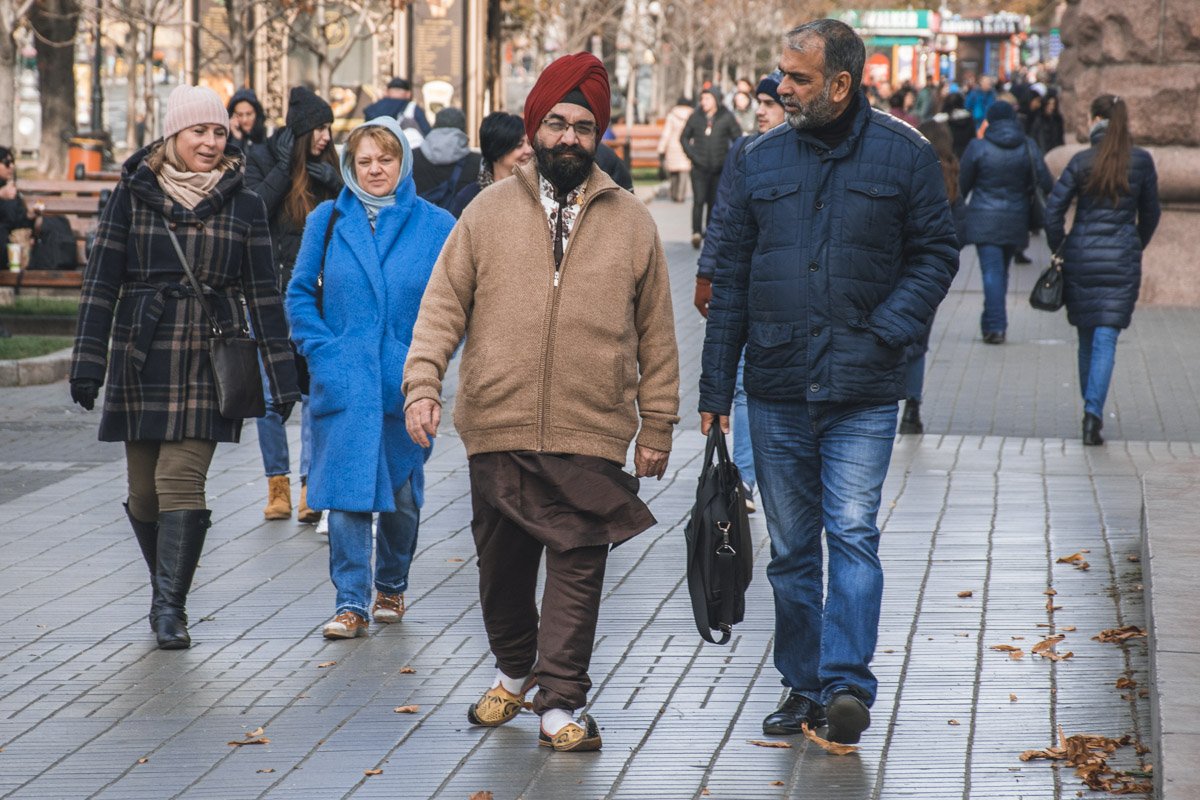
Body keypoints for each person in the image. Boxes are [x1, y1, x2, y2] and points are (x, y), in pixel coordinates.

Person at [402, 52, 679, 753]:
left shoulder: (633, 221)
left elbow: (658, 333)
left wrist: (659, 424)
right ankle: (516, 670)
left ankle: (561, 700)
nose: (567, 138)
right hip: (497, 421)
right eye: (555, 123)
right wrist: (423, 385)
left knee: (580, 560)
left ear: (598, 135)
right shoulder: (487, 211)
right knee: (502, 571)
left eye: (582, 127)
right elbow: (441, 307)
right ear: (535, 128)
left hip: (593, 425)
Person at [699, 19, 958, 745]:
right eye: (782, 73)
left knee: (851, 534)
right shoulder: (756, 159)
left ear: (841, 84)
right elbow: (731, 284)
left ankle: (845, 686)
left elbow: (937, 253)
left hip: (863, 389)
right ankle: (801, 684)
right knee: (789, 551)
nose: (782, 86)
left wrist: (886, 330)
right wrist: (715, 393)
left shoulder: (903, 154)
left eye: (799, 77)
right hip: (776, 388)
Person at [69, 85, 300, 650]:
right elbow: (101, 283)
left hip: (208, 351)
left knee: (179, 480)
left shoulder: (243, 201)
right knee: (144, 494)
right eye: (199, 131)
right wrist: (88, 362)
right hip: (142, 351)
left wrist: (283, 372)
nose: (210, 140)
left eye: (219, 131)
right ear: (174, 134)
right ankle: (163, 586)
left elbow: (263, 293)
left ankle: (171, 608)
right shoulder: (132, 193)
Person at [288, 116, 455, 639]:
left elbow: (456, 302)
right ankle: (350, 602)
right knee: (345, 497)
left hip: (405, 383)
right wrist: (324, 353)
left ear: (403, 161)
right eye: (365, 161)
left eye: (386, 158)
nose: (376, 169)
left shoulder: (437, 225)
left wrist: (428, 362)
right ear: (349, 166)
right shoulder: (328, 220)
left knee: (402, 497)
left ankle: (391, 585)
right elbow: (298, 295)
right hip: (345, 381)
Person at [244, 86, 342, 522]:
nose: (325, 136)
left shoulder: (330, 169)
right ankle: (277, 486)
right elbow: (251, 212)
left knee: (312, 393)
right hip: (269, 294)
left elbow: (354, 216)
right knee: (270, 398)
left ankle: (309, 488)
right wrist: (285, 170)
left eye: (328, 128)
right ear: (301, 131)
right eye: (319, 129)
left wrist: (334, 181)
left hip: (320, 298)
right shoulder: (265, 159)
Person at [1044, 94, 1160, 446]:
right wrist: (1134, 243)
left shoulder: (1082, 161)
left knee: (1085, 337)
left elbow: (1052, 211)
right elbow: (1151, 213)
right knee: (1106, 337)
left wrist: (1061, 246)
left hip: (1081, 255)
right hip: (1122, 257)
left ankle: (1090, 410)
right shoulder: (1140, 161)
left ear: (1096, 119)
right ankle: (1093, 415)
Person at [694, 71, 785, 512]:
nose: (761, 111)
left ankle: (765, 475)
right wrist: (706, 273)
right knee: (746, 386)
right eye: (760, 103)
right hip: (746, 286)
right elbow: (725, 218)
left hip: (785, 294)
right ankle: (744, 479)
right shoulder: (745, 150)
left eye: (771, 104)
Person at [959, 101, 1052, 344]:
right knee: (1002, 271)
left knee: (991, 273)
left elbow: (962, 186)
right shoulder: (1028, 146)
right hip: (1017, 218)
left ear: (990, 120)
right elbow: (1046, 182)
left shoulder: (978, 147)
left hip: (983, 219)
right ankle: (992, 322)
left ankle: (996, 326)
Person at [900, 120, 969, 435]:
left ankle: (892, 400)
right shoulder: (953, 171)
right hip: (932, 272)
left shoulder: (912, 168)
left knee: (898, 337)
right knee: (920, 342)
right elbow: (961, 227)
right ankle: (912, 408)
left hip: (903, 265)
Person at [680, 87, 741, 248]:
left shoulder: (726, 116)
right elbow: (684, 137)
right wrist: (692, 156)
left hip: (719, 168)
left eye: (707, 99)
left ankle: (710, 233)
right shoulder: (696, 116)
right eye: (702, 99)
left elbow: (737, 138)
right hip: (699, 167)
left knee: (714, 202)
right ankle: (696, 233)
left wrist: (729, 159)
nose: (703, 102)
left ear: (715, 99)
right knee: (699, 200)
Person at [448, 111, 533, 218]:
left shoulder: (537, 192)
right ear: (498, 149)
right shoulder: (470, 197)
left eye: (529, 143)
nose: (528, 150)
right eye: (519, 145)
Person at [411, 107, 482, 210]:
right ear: (463, 129)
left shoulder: (412, 157)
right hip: (460, 224)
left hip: (418, 222)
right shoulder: (478, 162)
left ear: (435, 125)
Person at [363, 77, 431, 146]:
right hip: (405, 150)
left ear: (387, 92)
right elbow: (427, 133)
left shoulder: (373, 109)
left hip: (377, 148)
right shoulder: (412, 108)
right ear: (408, 94)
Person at [657, 97, 693, 203]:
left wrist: (661, 148)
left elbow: (666, 133)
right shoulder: (692, 115)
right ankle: (680, 196)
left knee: (673, 172)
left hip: (673, 146)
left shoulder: (672, 115)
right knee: (684, 172)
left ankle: (673, 193)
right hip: (686, 146)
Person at [934, 92, 975, 159]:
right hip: (965, 156)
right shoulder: (969, 119)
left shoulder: (938, 121)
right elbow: (972, 139)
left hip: (945, 158)